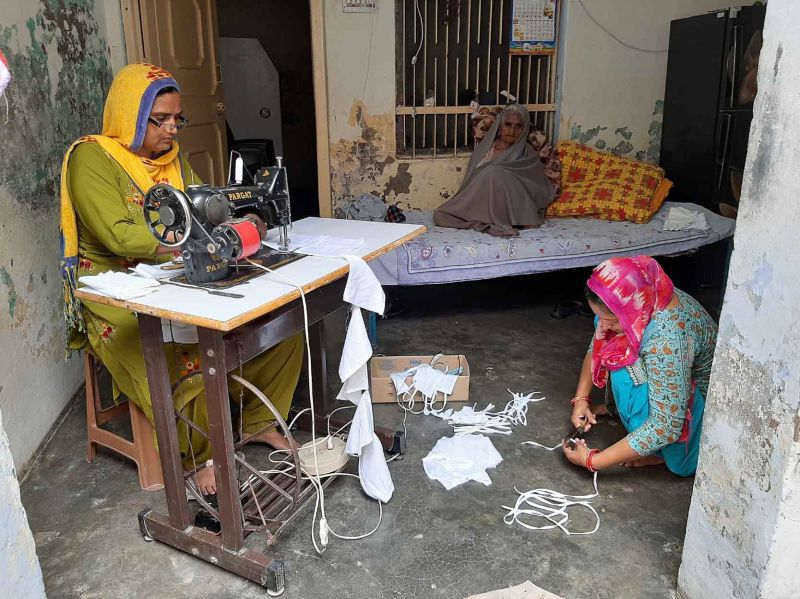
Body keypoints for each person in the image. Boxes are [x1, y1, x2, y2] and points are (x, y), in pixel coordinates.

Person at [59, 63, 304, 496]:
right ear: (128, 114)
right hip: (112, 287)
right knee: (170, 347)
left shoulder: (173, 162)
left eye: (177, 119)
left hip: (171, 270)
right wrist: (198, 238)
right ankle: (197, 457)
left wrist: (244, 218)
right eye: (161, 120)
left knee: (281, 320)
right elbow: (117, 234)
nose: (172, 129)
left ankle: (259, 423)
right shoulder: (91, 158)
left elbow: (207, 207)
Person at [561, 256, 717, 477]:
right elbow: (595, 346)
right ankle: (632, 421)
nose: (604, 325)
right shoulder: (641, 297)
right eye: (598, 316)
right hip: (667, 377)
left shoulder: (667, 339)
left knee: (629, 372)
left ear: (631, 308)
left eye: (611, 319)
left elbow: (666, 426)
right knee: (614, 344)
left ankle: (665, 453)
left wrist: (593, 460)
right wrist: (581, 400)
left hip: (694, 403)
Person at [433, 103, 557, 237]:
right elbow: (472, 181)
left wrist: (501, 176)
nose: (512, 131)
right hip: (480, 202)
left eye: (518, 126)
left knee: (494, 172)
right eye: (508, 124)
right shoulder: (485, 148)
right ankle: (484, 219)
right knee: (441, 215)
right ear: (500, 126)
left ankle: (499, 219)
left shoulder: (528, 154)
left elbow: (538, 188)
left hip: (510, 209)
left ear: (525, 128)